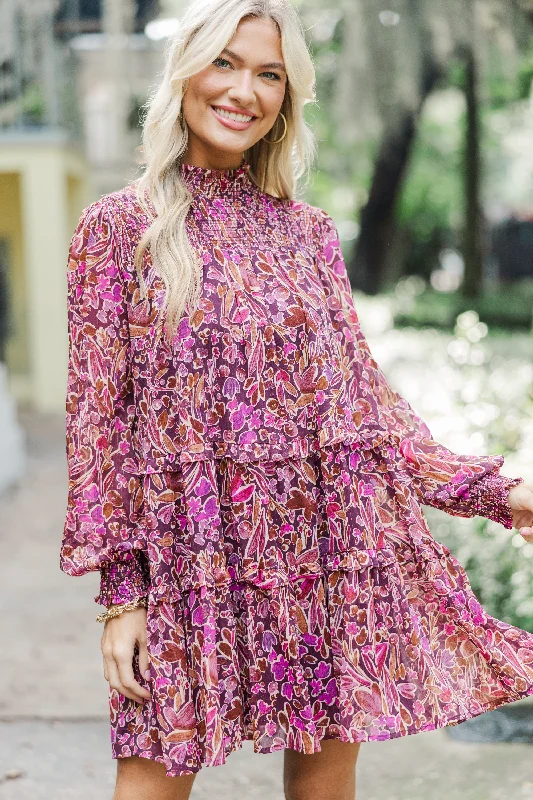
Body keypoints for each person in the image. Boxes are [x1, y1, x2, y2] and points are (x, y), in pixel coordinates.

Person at [61, 1, 533, 798]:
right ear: (186, 72)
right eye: (226, 63)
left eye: (268, 73)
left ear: (287, 95)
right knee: (149, 774)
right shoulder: (118, 229)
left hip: (320, 548)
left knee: (324, 777)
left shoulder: (306, 233)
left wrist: (496, 490)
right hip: (188, 558)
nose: (244, 89)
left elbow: (363, 405)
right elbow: (96, 426)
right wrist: (122, 598)